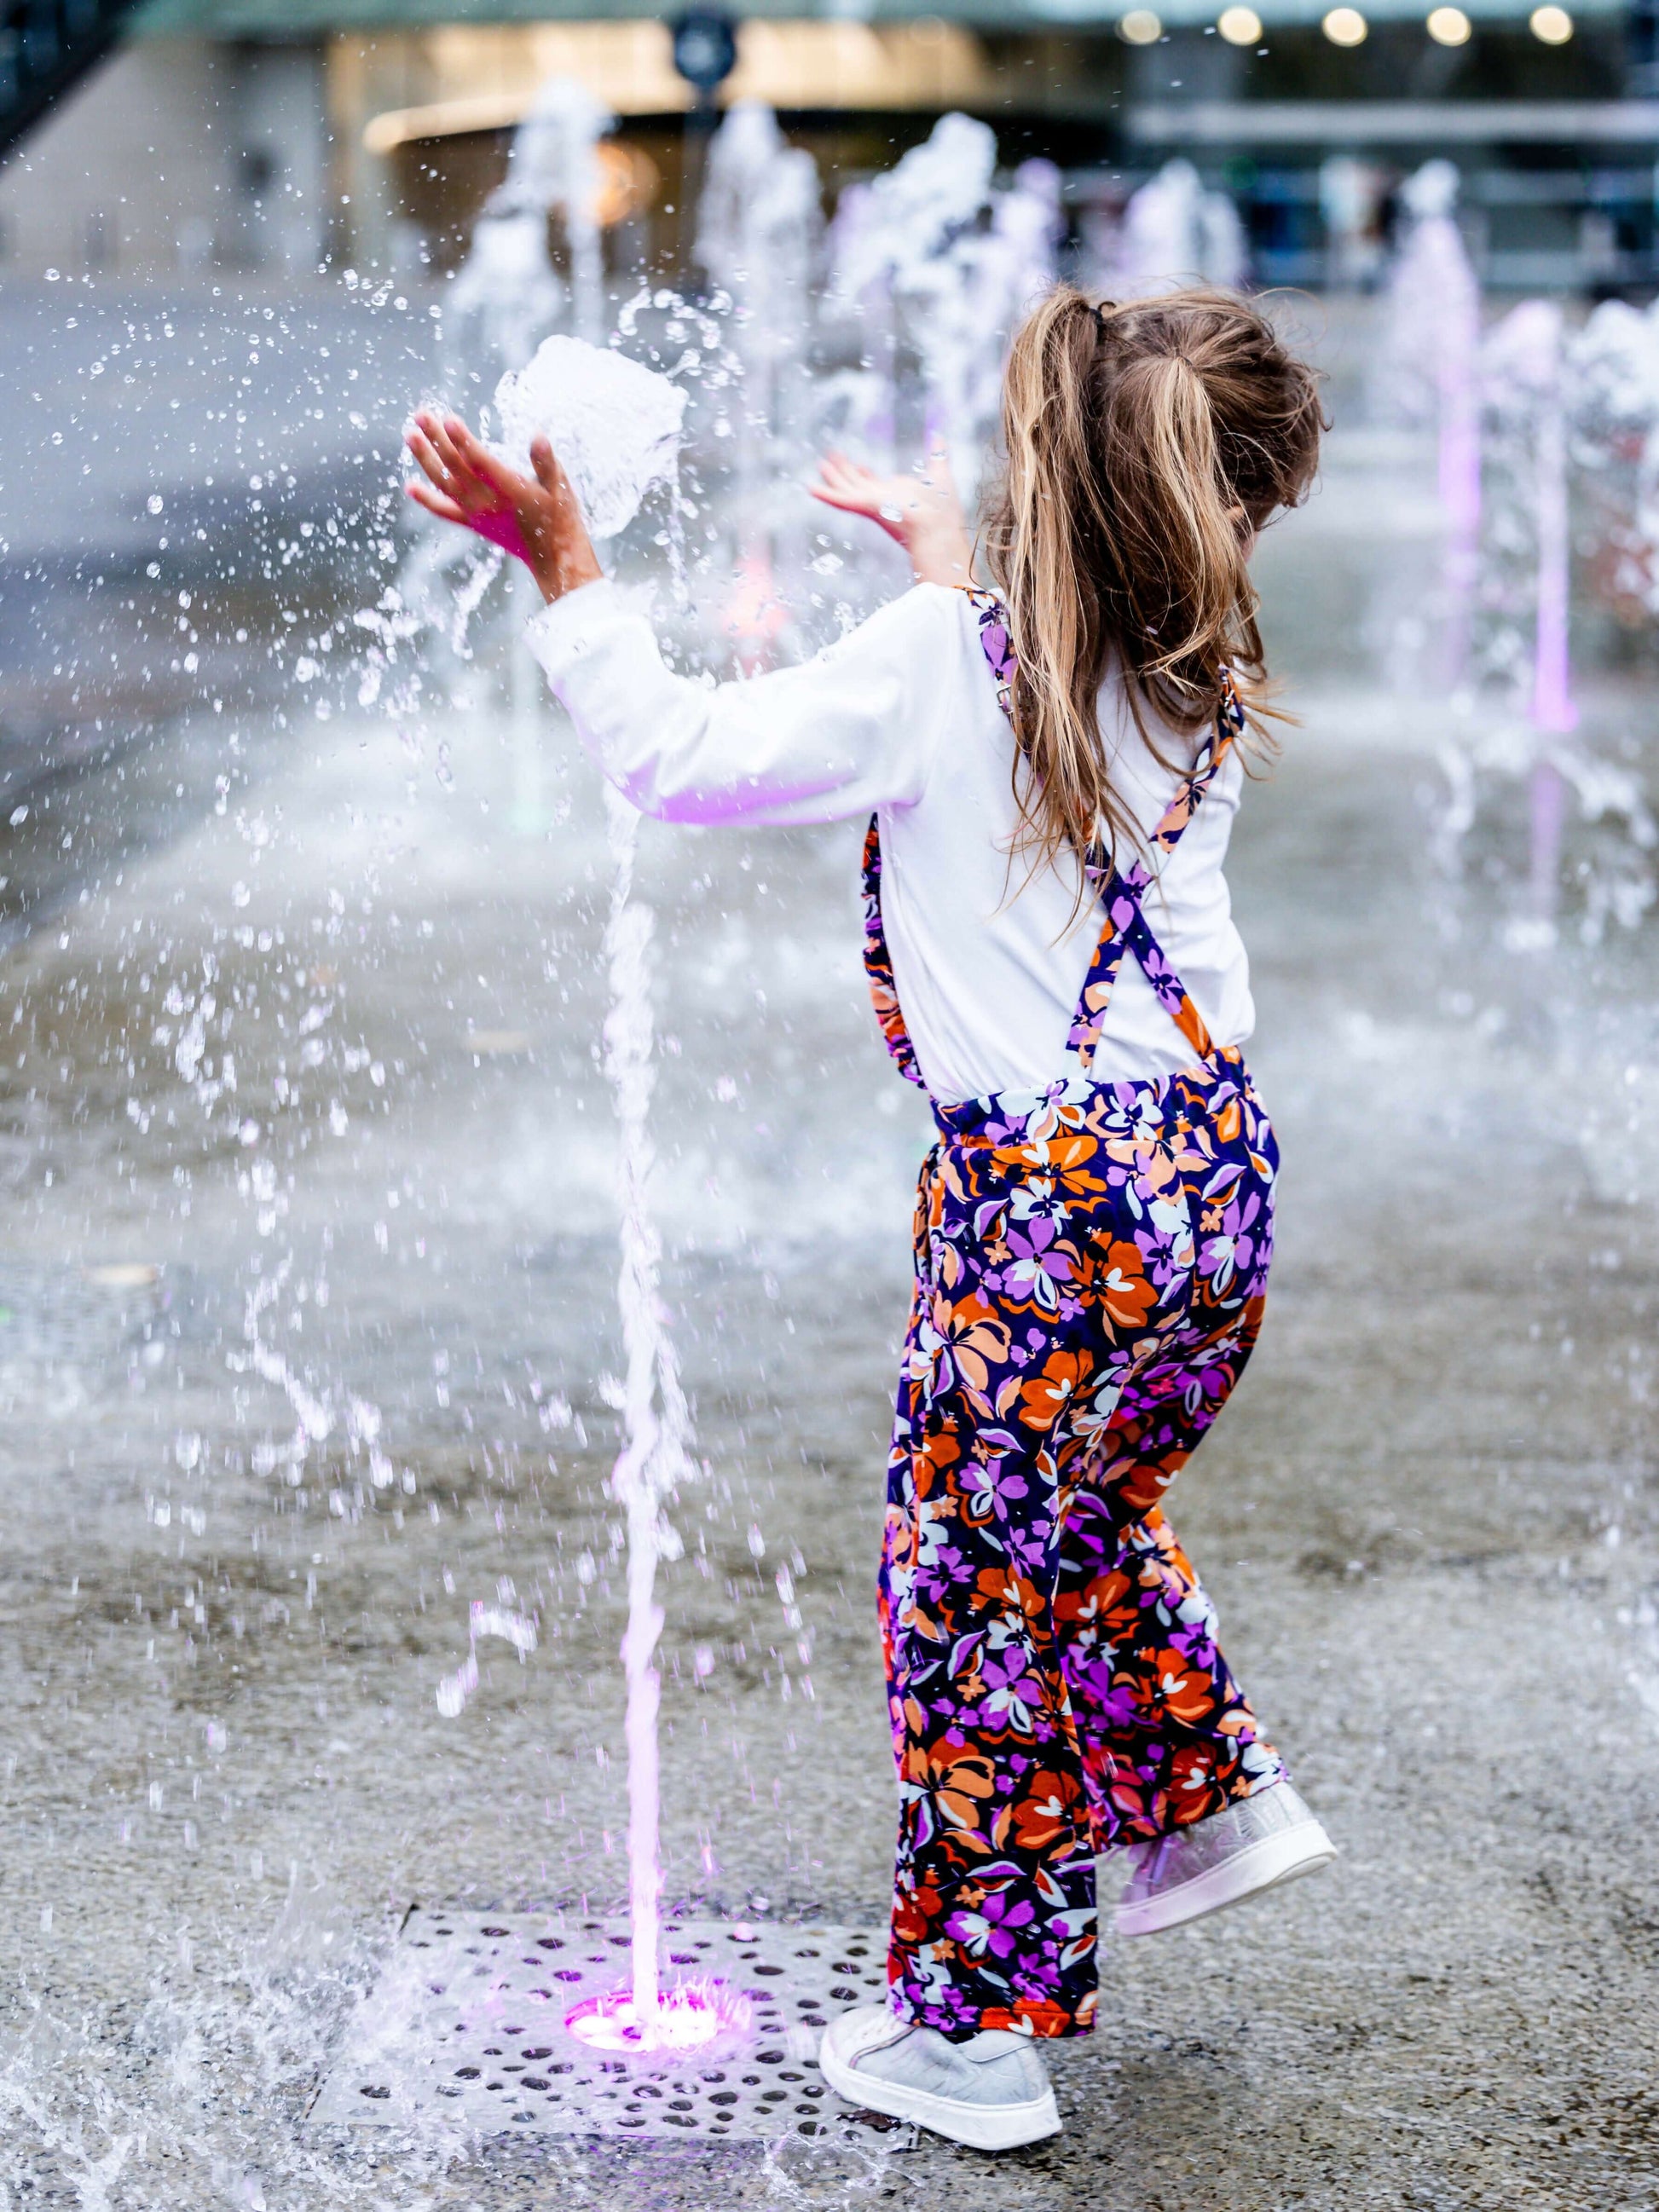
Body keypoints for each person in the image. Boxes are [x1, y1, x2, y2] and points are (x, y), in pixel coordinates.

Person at [405, 284, 1335, 2154]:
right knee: (1075, 1514)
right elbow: (1035, 662)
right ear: (1207, 518)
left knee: (970, 1596)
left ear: (1037, 493)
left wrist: (565, 559)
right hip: (1209, 1196)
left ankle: (968, 2032)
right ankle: (1194, 1794)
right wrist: (936, 563)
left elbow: (671, 754)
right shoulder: (1197, 668)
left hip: (1042, 1222)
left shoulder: (939, 663)